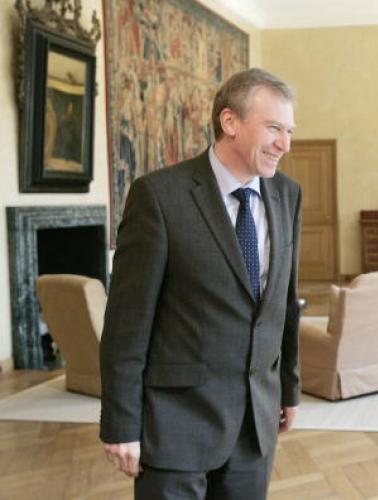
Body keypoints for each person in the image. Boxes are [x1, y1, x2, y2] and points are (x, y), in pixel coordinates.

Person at [99, 68, 302, 499]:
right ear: (230, 123)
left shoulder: (287, 194)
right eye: (273, 129)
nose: (285, 143)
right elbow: (126, 323)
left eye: (288, 130)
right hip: (176, 424)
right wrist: (120, 423)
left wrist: (289, 387)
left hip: (254, 426)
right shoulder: (159, 196)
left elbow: (283, 302)